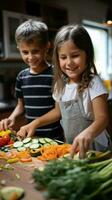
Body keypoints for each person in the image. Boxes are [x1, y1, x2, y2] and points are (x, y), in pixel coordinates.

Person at [16, 24, 111, 158]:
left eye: (75, 55)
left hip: (97, 149)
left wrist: (88, 133)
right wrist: (34, 123)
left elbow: (103, 118)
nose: (69, 62)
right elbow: (57, 112)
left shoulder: (94, 82)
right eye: (63, 57)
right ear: (57, 58)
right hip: (72, 147)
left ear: (87, 55)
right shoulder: (60, 84)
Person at [0, 19, 64, 142]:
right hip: (31, 138)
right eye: (25, 52)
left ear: (47, 47)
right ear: (19, 48)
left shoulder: (56, 74)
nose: (30, 57)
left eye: (35, 51)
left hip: (54, 139)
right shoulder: (21, 77)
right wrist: (11, 118)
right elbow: (21, 105)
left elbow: (58, 111)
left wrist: (34, 123)